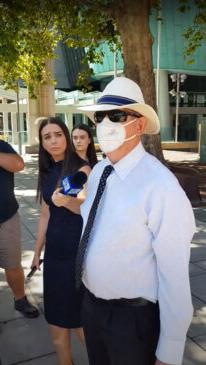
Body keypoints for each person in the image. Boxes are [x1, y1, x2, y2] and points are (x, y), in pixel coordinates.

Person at [76, 77, 196, 365]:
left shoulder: (161, 186)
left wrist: (170, 349)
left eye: (117, 116)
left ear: (140, 125)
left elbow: (174, 275)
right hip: (92, 309)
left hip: (132, 322)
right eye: (100, 116)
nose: (106, 124)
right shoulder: (100, 172)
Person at [31, 117, 91, 365]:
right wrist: (37, 252)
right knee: (56, 323)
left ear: (66, 136)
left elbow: (84, 207)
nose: (53, 140)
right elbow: (45, 214)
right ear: (42, 143)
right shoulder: (46, 171)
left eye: (58, 134)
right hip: (54, 253)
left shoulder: (82, 168)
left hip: (74, 251)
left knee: (78, 321)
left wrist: (67, 201)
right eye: (47, 136)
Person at [0, 140, 39, 318]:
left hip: (6, 217)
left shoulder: (1, 145)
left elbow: (19, 165)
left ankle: (20, 299)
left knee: (13, 265)